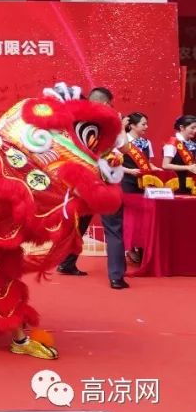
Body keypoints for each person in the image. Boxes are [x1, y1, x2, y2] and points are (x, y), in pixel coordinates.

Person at [56, 85, 114, 277]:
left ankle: (65, 261)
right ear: (104, 103)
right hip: (82, 177)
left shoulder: (75, 116)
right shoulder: (94, 122)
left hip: (69, 174)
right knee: (79, 220)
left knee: (76, 221)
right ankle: (65, 261)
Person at [120, 112, 160, 268]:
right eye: (143, 124)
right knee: (130, 217)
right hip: (127, 182)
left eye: (146, 123)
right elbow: (113, 162)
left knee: (144, 217)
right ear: (132, 126)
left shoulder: (146, 142)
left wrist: (158, 169)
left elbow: (148, 163)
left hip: (144, 183)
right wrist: (129, 171)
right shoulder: (123, 142)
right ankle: (129, 248)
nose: (146, 127)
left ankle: (141, 247)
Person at [161, 114, 196, 196]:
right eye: (192, 128)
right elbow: (165, 165)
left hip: (191, 184)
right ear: (182, 128)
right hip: (176, 184)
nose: (195, 131)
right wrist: (187, 167)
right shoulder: (172, 143)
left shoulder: (192, 144)